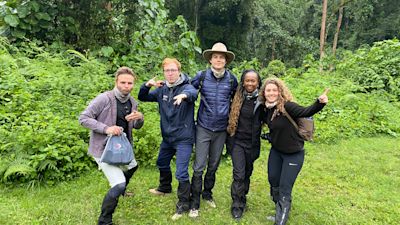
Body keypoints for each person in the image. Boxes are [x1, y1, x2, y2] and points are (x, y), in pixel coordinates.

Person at [79, 67, 144, 225]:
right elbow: (83, 118)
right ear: (116, 82)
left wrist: (140, 118)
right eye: (123, 82)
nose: (126, 86)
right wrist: (106, 129)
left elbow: (136, 126)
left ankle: (120, 192)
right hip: (103, 150)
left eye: (130, 83)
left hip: (122, 149)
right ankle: (104, 221)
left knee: (133, 167)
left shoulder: (132, 102)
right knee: (119, 184)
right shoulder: (104, 99)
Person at [260, 77, 329, 225]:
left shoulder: (288, 106)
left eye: (274, 90)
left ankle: (281, 221)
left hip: (293, 154)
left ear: (280, 91)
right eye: (268, 90)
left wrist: (319, 103)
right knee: (273, 181)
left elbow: (306, 111)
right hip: (276, 152)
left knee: (285, 188)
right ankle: (279, 211)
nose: (271, 93)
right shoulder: (266, 108)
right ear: (264, 93)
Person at [138, 58, 198, 220]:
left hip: (184, 137)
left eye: (173, 70)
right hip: (168, 137)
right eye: (167, 71)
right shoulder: (161, 89)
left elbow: (193, 94)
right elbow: (143, 97)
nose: (170, 73)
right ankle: (164, 188)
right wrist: (147, 85)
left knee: (181, 172)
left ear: (179, 71)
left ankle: (184, 202)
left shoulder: (187, 86)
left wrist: (183, 96)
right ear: (164, 73)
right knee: (162, 163)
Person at [189, 42, 238, 218]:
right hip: (203, 126)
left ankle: (207, 194)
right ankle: (194, 202)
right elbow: (189, 90)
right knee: (199, 165)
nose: (218, 60)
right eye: (215, 57)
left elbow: (236, 100)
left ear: (226, 61)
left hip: (221, 129)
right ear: (210, 59)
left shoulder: (232, 79)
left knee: (214, 164)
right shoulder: (201, 76)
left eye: (221, 57)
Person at [226, 69, 264, 220]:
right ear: (243, 82)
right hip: (237, 143)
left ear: (258, 83)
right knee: (239, 174)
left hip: (252, 144)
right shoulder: (236, 98)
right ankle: (236, 204)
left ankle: (243, 197)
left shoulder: (262, 101)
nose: (249, 83)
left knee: (247, 173)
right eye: (247, 80)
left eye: (252, 81)